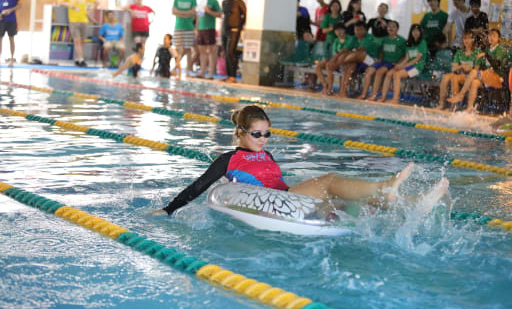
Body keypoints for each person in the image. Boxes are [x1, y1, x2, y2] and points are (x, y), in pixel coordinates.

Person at [152, 105, 448, 219]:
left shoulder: (266, 154)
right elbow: (200, 185)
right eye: (257, 133)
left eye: (267, 133)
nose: (264, 138)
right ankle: (386, 184)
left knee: (353, 203)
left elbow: (279, 182)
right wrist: (168, 209)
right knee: (331, 180)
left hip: (289, 198)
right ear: (241, 132)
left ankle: (411, 203)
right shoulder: (228, 160)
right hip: (277, 201)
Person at [447, 29, 509, 112]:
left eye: (494, 35)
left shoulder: (500, 49)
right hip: (487, 78)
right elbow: (483, 66)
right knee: (474, 82)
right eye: (490, 35)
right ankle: (469, 108)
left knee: (473, 72)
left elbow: (496, 64)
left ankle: (461, 95)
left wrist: (485, 55)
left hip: (498, 79)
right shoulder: (487, 50)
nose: (491, 37)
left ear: (499, 39)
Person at [379, 24, 428, 104]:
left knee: (397, 75)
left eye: (417, 31)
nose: (415, 32)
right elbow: (407, 58)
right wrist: (400, 65)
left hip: (417, 68)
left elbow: (417, 59)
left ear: (420, 32)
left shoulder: (422, 42)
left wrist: (403, 66)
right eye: (413, 31)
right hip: (409, 66)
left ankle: (395, 99)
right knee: (389, 73)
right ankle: (383, 97)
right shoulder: (409, 43)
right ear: (411, 32)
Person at [436, 31, 483, 110]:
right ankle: (441, 104)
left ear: (473, 40)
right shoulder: (459, 52)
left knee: (455, 78)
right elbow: (453, 68)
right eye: (465, 38)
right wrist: (461, 66)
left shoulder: (477, 52)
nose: (466, 40)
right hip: (461, 75)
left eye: (469, 38)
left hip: (472, 76)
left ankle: (454, 106)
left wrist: (469, 69)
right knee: (445, 77)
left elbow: (476, 71)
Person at [361, 20, 406, 100]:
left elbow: (405, 55)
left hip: (392, 63)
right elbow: (381, 51)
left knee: (379, 72)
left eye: (393, 27)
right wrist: (380, 59)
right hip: (383, 61)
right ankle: (364, 94)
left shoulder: (402, 41)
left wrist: (399, 63)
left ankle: (374, 95)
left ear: (397, 29)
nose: (391, 28)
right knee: (369, 70)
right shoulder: (384, 39)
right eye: (389, 26)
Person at [58, 0, 98, 67]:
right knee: (77, 41)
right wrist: (69, 5)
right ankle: (81, 60)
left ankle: (77, 59)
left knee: (82, 42)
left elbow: (96, 2)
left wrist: (91, 10)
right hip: (73, 21)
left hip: (84, 20)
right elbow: (60, 2)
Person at [337, 21, 381, 98]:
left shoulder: (369, 37)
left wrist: (342, 60)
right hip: (358, 60)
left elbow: (360, 50)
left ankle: (341, 63)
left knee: (357, 54)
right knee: (350, 66)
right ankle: (343, 92)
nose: (358, 32)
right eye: (356, 30)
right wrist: (337, 57)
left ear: (365, 30)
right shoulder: (354, 38)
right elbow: (345, 49)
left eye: (360, 29)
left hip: (372, 60)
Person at [222, 0, 246, 83]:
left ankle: (233, 76)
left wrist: (239, 28)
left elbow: (244, 15)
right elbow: (225, 17)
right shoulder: (224, 2)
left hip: (234, 31)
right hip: (225, 31)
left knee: (230, 52)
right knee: (226, 53)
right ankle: (228, 76)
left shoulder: (238, 1)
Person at [315, 23, 350, 94]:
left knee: (329, 65)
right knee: (318, 66)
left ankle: (329, 88)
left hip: (345, 61)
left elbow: (345, 51)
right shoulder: (336, 40)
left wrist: (332, 60)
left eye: (340, 30)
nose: (338, 32)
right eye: (336, 30)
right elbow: (335, 54)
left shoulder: (349, 39)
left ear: (344, 30)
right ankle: (325, 85)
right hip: (336, 60)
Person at [196, 0, 222, 79]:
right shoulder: (201, 1)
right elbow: (199, 16)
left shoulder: (213, 1)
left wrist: (209, 11)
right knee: (202, 51)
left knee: (211, 51)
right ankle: (202, 72)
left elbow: (219, 14)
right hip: (201, 29)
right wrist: (197, 29)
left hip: (210, 28)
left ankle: (211, 73)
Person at [173, 0, 197, 77]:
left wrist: (180, 13)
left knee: (188, 50)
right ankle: (176, 68)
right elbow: (173, 11)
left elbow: (194, 12)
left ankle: (187, 71)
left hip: (188, 27)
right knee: (178, 49)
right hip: (178, 26)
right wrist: (187, 13)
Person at [0, 0, 21, 67]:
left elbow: (20, 5)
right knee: (0, 39)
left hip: (12, 19)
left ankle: (12, 59)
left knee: (11, 39)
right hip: (1, 19)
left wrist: (10, 10)